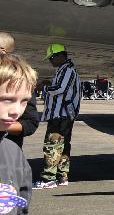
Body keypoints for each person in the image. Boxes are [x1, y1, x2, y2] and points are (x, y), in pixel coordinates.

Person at [34, 43, 81, 189]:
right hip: (63, 115)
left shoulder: (67, 70)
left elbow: (61, 89)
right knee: (63, 146)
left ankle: (49, 178)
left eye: (52, 58)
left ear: (60, 56)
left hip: (61, 115)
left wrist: (45, 87)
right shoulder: (64, 69)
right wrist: (50, 83)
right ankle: (62, 176)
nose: (50, 61)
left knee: (52, 145)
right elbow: (61, 87)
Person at [0, 52, 37, 214]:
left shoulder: (14, 153)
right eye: (7, 99)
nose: (16, 111)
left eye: (24, 101)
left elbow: (21, 204)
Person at [0, 33, 39, 149]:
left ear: (2, 50)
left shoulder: (20, 79)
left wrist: (4, 126)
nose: (16, 111)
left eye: (24, 101)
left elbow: (30, 123)